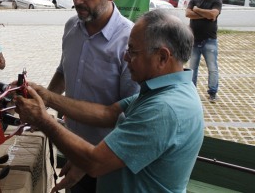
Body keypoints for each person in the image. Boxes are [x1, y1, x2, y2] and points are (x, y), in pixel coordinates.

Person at [15, 10, 204, 193]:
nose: (125, 57)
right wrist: (47, 97)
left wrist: (43, 119)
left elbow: (96, 163)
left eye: (132, 51)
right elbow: (107, 113)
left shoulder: (164, 108)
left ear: (162, 57)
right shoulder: (165, 90)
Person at [46, 0, 139, 192]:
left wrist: (89, 163)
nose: (77, 0)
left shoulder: (130, 41)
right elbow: (64, 71)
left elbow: (130, 117)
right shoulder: (71, 26)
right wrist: (41, 104)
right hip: (73, 150)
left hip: (109, 164)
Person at [186, 0, 222, 103]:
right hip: (194, 40)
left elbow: (213, 14)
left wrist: (197, 10)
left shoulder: (216, 2)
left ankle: (213, 92)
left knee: (212, 68)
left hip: (209, 40)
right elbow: (188, 14)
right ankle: (191, 92)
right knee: (192, 68)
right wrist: (205, 14)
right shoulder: (194, 0)